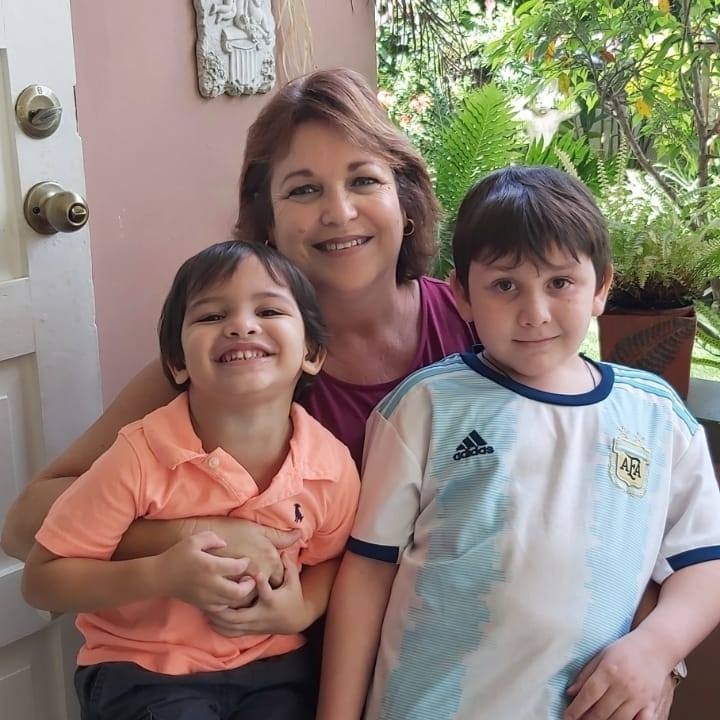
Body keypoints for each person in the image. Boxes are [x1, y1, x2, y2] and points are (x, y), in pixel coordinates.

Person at [1, 69, 675, 714]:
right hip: (275, 679)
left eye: (363, 180)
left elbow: (609, 505)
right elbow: (27, 525)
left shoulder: (488, 324)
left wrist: (655, 654)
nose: (339, 211)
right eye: (303, 190)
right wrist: (207, 536)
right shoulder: (232, 362)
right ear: (266, 221)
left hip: (472, 683)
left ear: (405, 202)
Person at [317, 166, 720, 720]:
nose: (534, 314)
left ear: (602, 286)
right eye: (505, 286)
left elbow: (704, 563)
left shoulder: (658, 417)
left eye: (560, 283)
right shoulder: (426, 406)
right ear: (462, 294)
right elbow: (366, 575)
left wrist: (658, 649)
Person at [21, 240, 360, 720]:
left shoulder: (330, 467)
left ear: (312, 352)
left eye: (268, 310)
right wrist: (161, 573)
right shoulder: (139, 456)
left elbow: (332, 560)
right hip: (145, 670)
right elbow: (42, 580)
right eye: (211, 316)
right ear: (177, 363)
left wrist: (301, 610)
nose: (241, 325)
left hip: (273, 666)